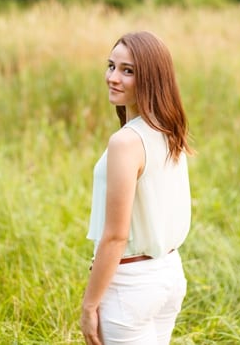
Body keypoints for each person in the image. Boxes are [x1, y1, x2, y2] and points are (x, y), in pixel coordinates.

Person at [80, 31, 192, 345]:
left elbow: (115, 236)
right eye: (111, 66)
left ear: (151, 78)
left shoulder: (126, 142)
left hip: (130, 286)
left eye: (128, 71)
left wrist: (89, 306)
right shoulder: (169, 129)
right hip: (168, 274)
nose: (113, 78)